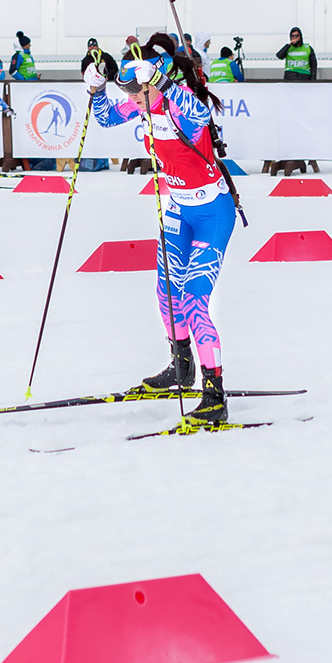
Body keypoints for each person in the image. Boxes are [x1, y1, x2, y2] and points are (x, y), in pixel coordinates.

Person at [85, 34, 235, 428]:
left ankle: (214, 396)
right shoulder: (142, 102)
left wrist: (163, 84)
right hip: (177, 211)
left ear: (155, 81)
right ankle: (180, 366)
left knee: (194, 301)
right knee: (166, 293)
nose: (133, 102)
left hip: (212, 212)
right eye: (130, 96)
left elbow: (200, 117)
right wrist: (97, 90)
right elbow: (106, 118)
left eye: (138, 94)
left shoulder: (181, 103)